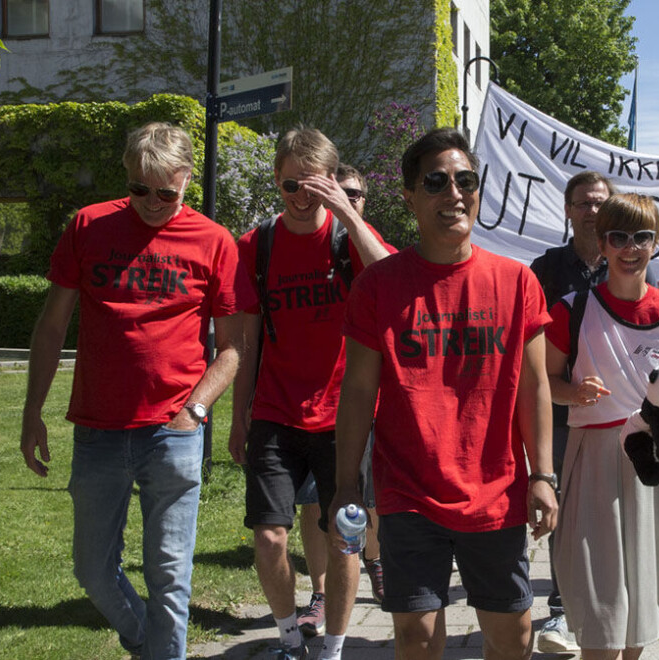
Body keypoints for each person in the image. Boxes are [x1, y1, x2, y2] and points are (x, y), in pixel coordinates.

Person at [20, 122, 252, 660]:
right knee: (92, 570)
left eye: (165, 192)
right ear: (127, 175)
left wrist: (195, 411)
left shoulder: (213, 241)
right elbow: (52, 326)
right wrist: (33, 411)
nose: (152, 203)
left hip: (173, 435)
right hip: (98, 431)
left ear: (187, 180)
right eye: (140, 190)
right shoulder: (88, 226)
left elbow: (233, 348)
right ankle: (149, 644)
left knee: (170, 578)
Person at [332, 127, 557, 660]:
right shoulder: (379, 285)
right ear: (410, 196)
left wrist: (543, 476)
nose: (454, 193)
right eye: (436, 182)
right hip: (408, 490)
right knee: (416, 638)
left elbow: (535, 386)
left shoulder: (517, 281)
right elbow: (359, 390)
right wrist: (345, 484)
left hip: (496, 492)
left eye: (466, 180)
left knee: (513, 637)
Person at [229, 131, 393, 660]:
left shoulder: (349, 240)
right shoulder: (258, 246)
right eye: (291, 184)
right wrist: (239, 418)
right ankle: (288, 637)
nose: (302, 197)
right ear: (277, 180)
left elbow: (392, 285)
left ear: (332, 181)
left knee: (345, 533)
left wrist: (347, 214)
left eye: (314, 185)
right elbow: (247, 341)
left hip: (342, 417)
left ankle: (335, 648)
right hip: (276, 413)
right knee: (270, 538)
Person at [546, 193, 659, 660]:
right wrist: (573, 393)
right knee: (600, 591)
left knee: (644, 590)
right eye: (618, 237)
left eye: (642, 237)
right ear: (602, 242)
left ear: (655, 243)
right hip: (593, 455)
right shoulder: (572, 309)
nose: (630, 248)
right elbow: (544, 383)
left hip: (651, 459)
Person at [529, 171, 658, 654]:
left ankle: (615, 612)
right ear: (569, 210)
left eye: (600, 202)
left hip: (623, 428)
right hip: (563, 417)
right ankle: (566, 612)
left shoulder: (626, 267)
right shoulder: (546, 269)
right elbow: (537, 358)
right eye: (583, 203)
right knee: (568, 518)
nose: (592, 210)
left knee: (621, 528)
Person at [292, 165, 385, 640]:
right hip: (302, 402)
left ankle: (373, 559)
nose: (344, 199)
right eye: (336, 192)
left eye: (354, 194)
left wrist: (349, 218)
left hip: (355, 400)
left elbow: (390, 276)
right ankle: (322, 591)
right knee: (313, 506)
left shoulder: (361, 241)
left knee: (363, 502)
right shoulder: (306, 241)